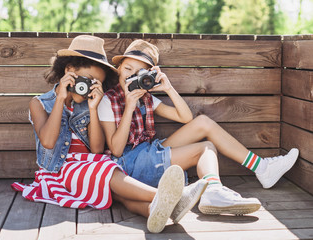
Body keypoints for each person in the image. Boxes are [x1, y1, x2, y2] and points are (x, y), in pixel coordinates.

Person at [11, 35, 199, 233]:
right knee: (108, 170)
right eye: (86, 80)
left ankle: (153, 209)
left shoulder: (88, 104)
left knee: (119, 194)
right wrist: (60, 99)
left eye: (95, 83)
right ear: (68, 71)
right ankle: (173, 198)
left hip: (89, 166)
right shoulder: (40, 103)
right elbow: (48, 142)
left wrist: (93, 108)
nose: (87, 88)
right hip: (59, 172)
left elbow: (97, 150)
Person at [98, 39, 299, 218]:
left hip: (149, 152)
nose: (132, 76)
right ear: (118, 69)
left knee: (203, 123)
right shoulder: (108, 100)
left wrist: (168, 88)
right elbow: (115, 150)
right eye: (128, 69)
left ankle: (261, 168)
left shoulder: (146, 97)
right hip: (128, 164)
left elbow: (185, 117)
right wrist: (130, 105)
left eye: (140, 72)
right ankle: (214, 191)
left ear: (148, 76)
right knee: (205, 148)